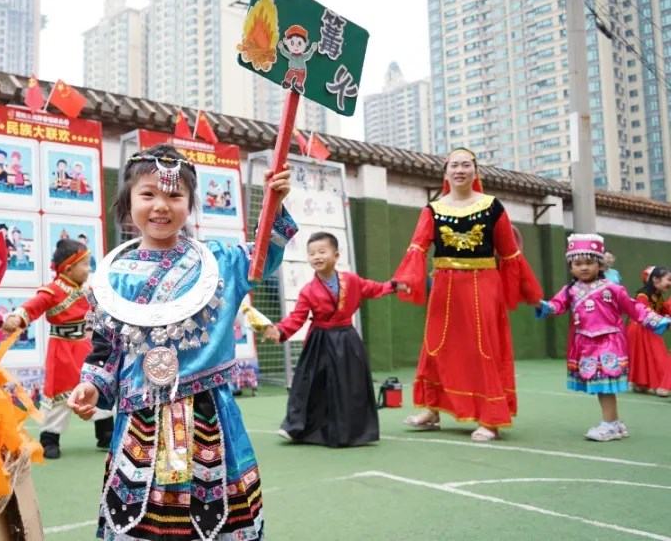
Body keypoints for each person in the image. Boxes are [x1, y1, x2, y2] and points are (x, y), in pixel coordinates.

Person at [67, 143, 295, 541]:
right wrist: (91, 385)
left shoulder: (221, 261)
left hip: (210, 416)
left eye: (174, 195)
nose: (161, 205)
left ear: (190, 204)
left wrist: (273, 202)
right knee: (142, 520)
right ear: (128, 202)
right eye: (148, 194)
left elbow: (263, 255)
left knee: (218, 515)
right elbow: (106, 349)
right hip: (142, 420)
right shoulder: (113, 276)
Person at [393, 148, 543, 442]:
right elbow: (417, 247)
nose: (459, 170)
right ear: (446, 173)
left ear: (475, 172)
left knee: (483, 348)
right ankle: (431, 409)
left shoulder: (492, 206)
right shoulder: (433, 209)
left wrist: (528, 291)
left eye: (466, 165)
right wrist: (406, 278)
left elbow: (510, 252)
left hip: (483, 285)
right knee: (435, 345)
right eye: (454, 166)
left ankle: (490, 419)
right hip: (444, 284)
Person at [263, 232, 409, 448]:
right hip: (319, 342)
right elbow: (297, 317)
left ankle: (351, 432)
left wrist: (393, 286)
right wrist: (279, 330)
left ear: (336, 255)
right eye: (312, 253)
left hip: (347, 340)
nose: (317, 257)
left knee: (350, 386)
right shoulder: (308, 290)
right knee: (310, 385)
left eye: (322, 252)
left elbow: (373, 288)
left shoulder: (351, 280)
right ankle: (296, 427)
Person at [536, 235, 671, 441]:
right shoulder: (570, 290)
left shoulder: (612, 288)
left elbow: (634, 307)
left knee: (605, 384)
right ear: (571, 267)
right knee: (601, 386)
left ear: (599, 265)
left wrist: (657, 320)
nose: (583, 268)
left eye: (589, 263)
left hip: (609, 342)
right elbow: (557, 305)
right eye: (577, 263)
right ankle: (615, 423)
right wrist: (542, 305)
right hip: (585, 343)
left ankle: (610, 424)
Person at [1, 238, 113, 459]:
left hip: (85, 347)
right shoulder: (51, 292)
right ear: (68, 268)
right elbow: (32, 307)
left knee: (95, 384)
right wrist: (16, 317)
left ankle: (105, 432)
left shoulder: (87, 291)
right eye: (85, 264)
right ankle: (49, 439)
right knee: (60, 395)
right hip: (61, 350)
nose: (88, 269)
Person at [626, 266, 671, 397]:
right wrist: (665, 320)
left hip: (649, 329)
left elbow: (665, 311)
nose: (670, 283)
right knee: (650, 356)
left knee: (652, 355)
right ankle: (650, 384)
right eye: (668, 279)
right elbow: (645, 313)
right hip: (639, 329)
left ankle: (643, 384)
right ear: (655, 279)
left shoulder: (659, 297)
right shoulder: (642, 295)